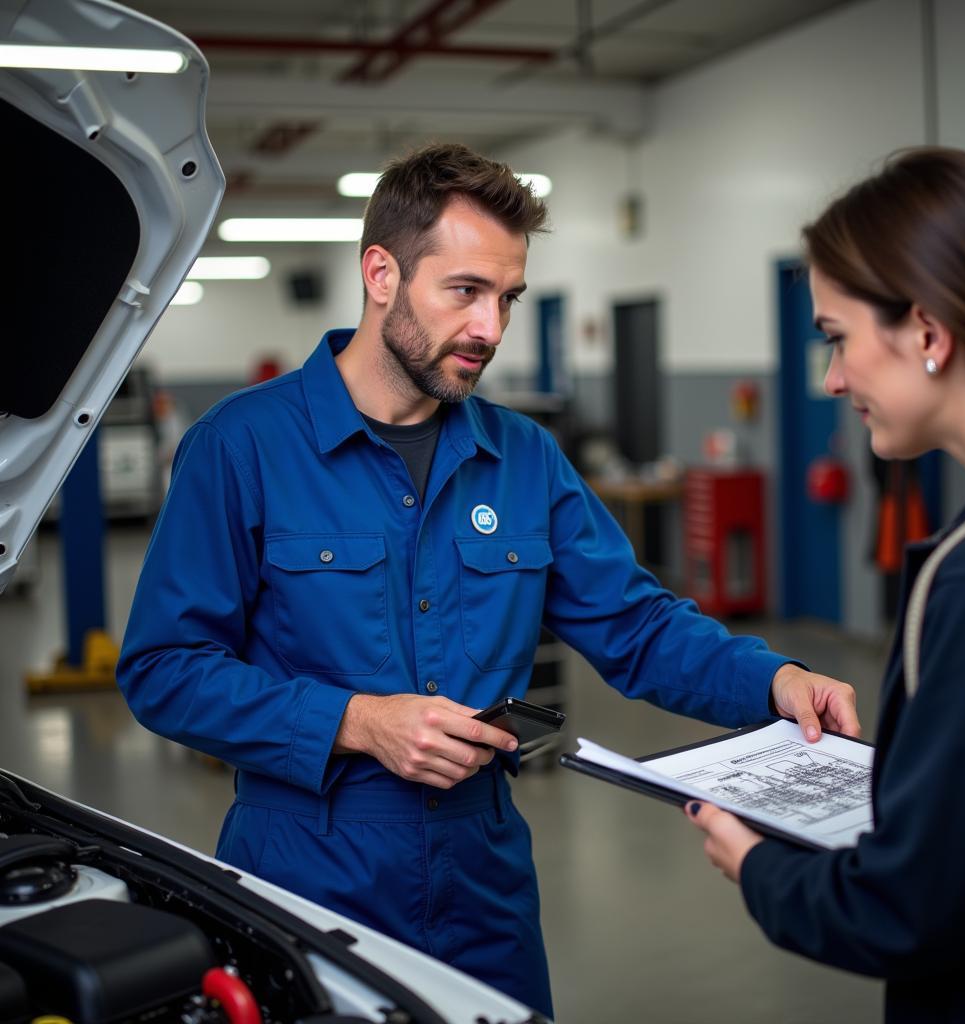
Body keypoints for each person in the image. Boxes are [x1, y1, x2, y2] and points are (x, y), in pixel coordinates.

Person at [117, 142, 858, 1018]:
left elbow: (638, 626)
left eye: (507, 298)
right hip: (305, 882)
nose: (491, 329)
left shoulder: (524, 459)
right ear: (381, 273)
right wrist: (355, 722)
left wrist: (777, 679)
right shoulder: (241, 447)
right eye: (464, 291)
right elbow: (164, 669)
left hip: (485, 885)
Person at [687, 146, 965, 1022]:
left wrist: (757, 865)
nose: (832, 379)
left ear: (927, 331)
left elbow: (908, 908)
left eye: (837, 338)